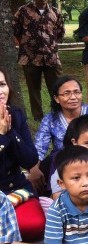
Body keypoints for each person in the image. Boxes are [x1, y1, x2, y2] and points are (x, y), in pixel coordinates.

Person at [31, 76, 88, 196]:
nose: (73, 97)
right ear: (56, 98)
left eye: (76, 92)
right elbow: (39, 147)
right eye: (67, 93)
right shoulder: (51, 119)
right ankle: (56, 198)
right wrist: (33, 168)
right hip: (63, 163)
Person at [0, 67, 45, 242]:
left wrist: (10, 131)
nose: (0, 91)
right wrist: (1, 136)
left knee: (34, 226)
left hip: (16, 190)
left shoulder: (16, 115)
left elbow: (30, 160)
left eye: (2, 84)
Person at [13, 0, 64, 121]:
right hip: (29, 58)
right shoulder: (23, 11)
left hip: (51, 58)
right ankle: (38, 118)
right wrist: (28, 44)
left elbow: (59, 33)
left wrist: (49, 45)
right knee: (34, 90)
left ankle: (58, 115)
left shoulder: (55, 12)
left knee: (57, 88)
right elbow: (15, 31)